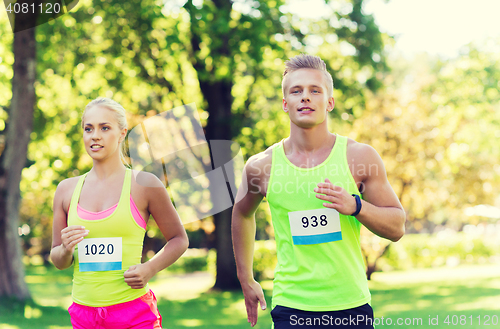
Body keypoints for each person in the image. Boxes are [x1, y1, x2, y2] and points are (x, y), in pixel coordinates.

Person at [232, 54, 406, 328]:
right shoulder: (260, 167)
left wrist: (356, 206)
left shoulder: (359, 158)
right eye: (296, 91)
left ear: (330, 102)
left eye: (315, 91)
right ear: (284, 104)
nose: (305, 97)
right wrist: (245, 277)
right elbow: (241, 214)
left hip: (351, 306)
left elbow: (397, 227)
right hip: (292, 308)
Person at [50, 97, 189, 329]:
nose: (95, 135)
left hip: (134, 314)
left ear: (122, 133)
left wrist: (149, 268)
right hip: (84, 316)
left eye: (105, 128)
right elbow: (58, 260)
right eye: (89, 128)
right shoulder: (66, 190)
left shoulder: (144, 184)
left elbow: (179, 239)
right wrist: (65, 249)